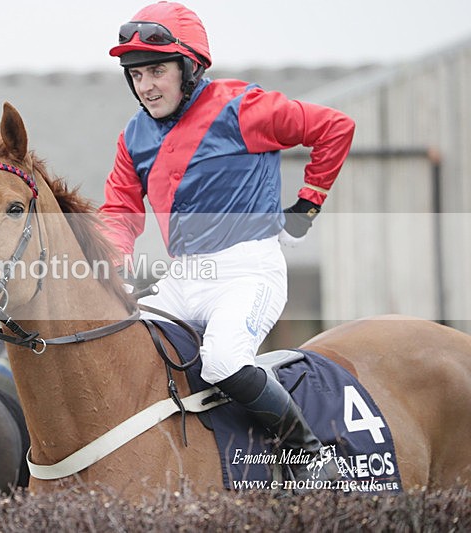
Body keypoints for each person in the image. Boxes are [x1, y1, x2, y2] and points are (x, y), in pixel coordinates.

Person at [99, 2, 355, 482]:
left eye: (157, 70)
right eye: (136, 75)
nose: (146, 86)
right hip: (182, 276)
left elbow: (334, 128)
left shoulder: (245, 107)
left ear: (190, 67)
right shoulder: (133, 136)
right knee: (118, 348)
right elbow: (118, 212)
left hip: (247, 270)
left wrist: (306, 205)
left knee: (222, 360)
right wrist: (114, 261)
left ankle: (313, 460)